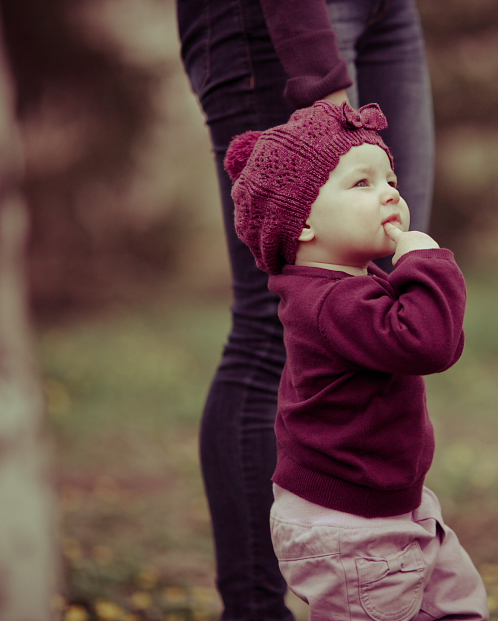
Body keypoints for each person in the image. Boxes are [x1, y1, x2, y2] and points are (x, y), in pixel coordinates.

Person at [175, 1, 434, 619]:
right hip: (280, 16)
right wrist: (318, 74)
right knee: (276, 325)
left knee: (387, 278)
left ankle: (380, 541)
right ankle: (264, 602)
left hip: (388, 12)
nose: (387, 190)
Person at [225, 100, 488, 621]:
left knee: (457, 606)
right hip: (351, 527)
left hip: (389, 506)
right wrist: (426, 262)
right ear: (302, 223)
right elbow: (430, 344)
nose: (390, 192)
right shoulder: (329, 304)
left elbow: (441, 339)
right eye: (362, 183)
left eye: (390, 179)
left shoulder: (350, 286)